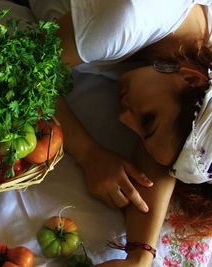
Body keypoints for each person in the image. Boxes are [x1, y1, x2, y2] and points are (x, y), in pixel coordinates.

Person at [27, 0, 212, 266]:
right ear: (190, 79)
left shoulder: (198, 70)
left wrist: (139, 257)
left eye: (143, 132)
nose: (125, 119)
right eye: (148, 121)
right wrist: (88, 153)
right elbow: (23, 71)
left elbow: (165, 156)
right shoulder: (123, 22)